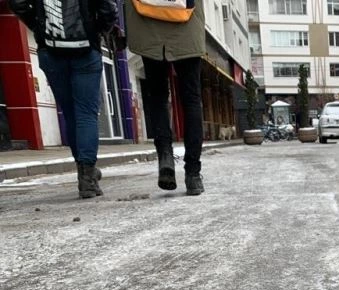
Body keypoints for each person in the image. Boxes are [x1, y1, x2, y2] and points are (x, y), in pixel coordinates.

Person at [9, 0, 119, 199]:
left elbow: (18, 3)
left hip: (51, 51)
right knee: (86, 114)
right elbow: (108, 9)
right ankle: (87, 176)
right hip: (86, 49)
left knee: (70, 114)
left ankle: (84, 171)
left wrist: (38, 26)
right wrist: (98, 30)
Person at [124, 0, 206, 196]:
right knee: (191, 99)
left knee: (158, 95)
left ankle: (165, 157)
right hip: (186, 24)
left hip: (148, 22)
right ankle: (193, 174)